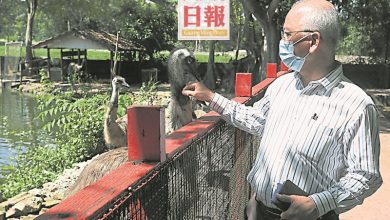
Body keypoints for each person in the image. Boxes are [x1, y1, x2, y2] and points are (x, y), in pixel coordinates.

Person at [182, 0, 382, 219]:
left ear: (313, 41)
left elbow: (366, 175)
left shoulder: (356, 105)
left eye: (287, 34)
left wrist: (318, 204)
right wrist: (211, 97)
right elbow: (257, 120)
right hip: (257, 210)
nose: (282, 41)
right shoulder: (282, 85)